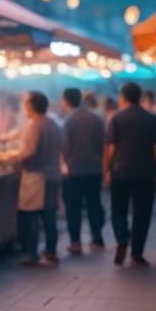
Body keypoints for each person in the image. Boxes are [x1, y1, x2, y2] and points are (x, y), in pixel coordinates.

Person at [105, 82, 156, 266]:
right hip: (145, 173)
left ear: (122, 97)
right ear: (139, 97)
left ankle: (122, 239)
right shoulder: (152, 118)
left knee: (118, 211)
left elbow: (111, 148)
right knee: (142, 213)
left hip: (120, 172)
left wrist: (107, 170)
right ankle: (137, 253)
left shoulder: (116, 118)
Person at [16, 91, 62, 265]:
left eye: (26, 105)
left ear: (31, 107)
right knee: (49, 215)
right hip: (53, 175)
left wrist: (15, 157)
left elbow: (28, 152)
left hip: (36, 177)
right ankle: (51, 250)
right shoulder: (53, 124)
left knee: (31, 215)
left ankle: (31, 253)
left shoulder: (33, 125)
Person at [60, 88, 105, 254]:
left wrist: (67, 160)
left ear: (66, 100)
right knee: (94, 204)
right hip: (94, 168)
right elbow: (103, 143)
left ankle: (76, 241)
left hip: (75, 170)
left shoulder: (68, 120)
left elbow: (65, 146)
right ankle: (97, 238)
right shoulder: (95, 118)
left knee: (74, 207)